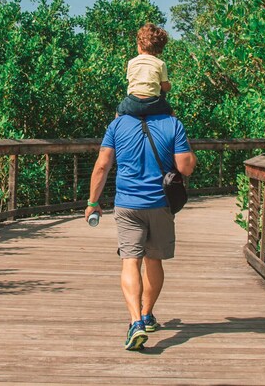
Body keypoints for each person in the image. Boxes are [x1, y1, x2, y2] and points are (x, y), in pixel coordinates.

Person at [84, 112, 197, 350]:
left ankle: (135, 322)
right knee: (153, 261)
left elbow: (102, 165)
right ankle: (146, 315)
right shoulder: (172, 124)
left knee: (130, 262)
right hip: (160, 204)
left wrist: (93, 202)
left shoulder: (117, 125)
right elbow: (185, 167)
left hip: (127, 205)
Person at [117, 23, 173, 117]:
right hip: (153, 103)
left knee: (118, 112)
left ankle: (115, 130)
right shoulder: (160, 63)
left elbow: (131, 81)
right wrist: (169, 86)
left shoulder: (131, 62)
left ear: (140, 45)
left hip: (133, 102)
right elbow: (165, 87)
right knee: (171, 113)